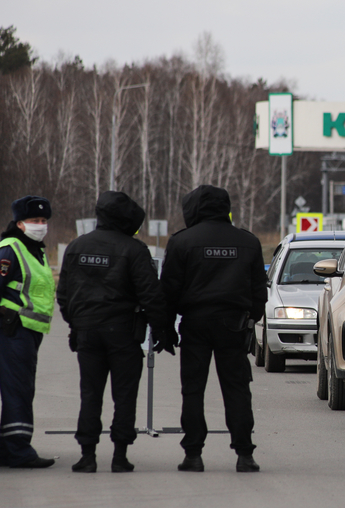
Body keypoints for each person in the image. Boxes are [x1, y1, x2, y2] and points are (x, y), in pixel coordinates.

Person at [56, 191, 173, 473]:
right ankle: (120, 456)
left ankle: (87, 456)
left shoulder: (76, 246)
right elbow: (151, 296)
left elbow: (64, 295)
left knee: (90, 394)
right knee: (124, 395)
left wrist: (76, 324)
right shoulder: (134, 250)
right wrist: (163, 330)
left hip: (87, 332)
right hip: (123, 334)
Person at [160, 185, 266, 473]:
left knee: (193, 390)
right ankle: (245, 454)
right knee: (237, 390)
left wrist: (166, 329)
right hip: (234, 324)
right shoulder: (248, 241)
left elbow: (168, 291)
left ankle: (193, 454)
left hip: (195, 323)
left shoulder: (182, 242)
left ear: (193, 208)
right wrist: (249, 320)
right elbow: (260, 292)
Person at [0, 196, 56, 468]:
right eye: (35, 220)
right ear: (20, 223)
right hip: (13, 328)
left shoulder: (35, 250)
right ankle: (19, 450)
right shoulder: (11, 248)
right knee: (19, 389)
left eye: (44, 221)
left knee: (20, 388)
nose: (41, 225)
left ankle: (5, 447)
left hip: (29, 329)